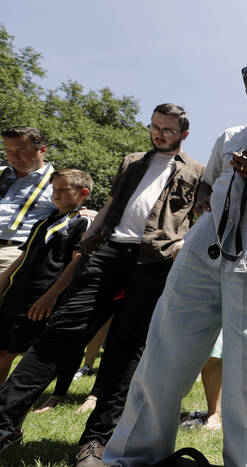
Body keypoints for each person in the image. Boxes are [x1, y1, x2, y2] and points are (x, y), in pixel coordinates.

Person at [104, 63, 247, 467]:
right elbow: (207, 182)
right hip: (201, 254)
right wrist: (208, 199)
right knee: (161, 357)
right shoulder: (229, 136)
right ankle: (130, 457)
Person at [0, 104, 204, 466]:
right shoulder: (131, 161)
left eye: (169, 130)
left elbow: (200, 215)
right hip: (108, 252)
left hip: (154, 261)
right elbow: (111, 204)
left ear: (184, 133)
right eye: (155, 127)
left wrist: (181, 246)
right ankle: (3, 425)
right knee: (59, 333)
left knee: (126, 350)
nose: (159, 134)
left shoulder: (197, 171)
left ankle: (95, 443)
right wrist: (88, 242)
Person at [0, 169, 93, 383]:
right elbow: (22, 257)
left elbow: (76, 261)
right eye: (54, 189)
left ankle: (18, 397)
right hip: (18, 293)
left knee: (30, 354)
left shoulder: (81, 222)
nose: (56, 193)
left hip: (43, 297)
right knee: (3, 350)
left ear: (83, 192)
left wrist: (52, 295)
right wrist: (3, 282)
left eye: (63, 189)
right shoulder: (42, 222)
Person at [0, 127, 57, 272]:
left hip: (13, 250)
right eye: (9, 151)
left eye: (22, 151)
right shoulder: (1, 172)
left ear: (42, 150)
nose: (14, 157)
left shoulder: (58, 183)